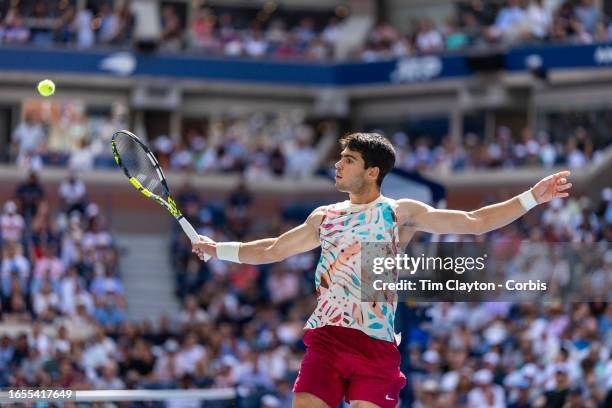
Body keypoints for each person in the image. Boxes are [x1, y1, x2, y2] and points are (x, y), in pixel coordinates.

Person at [192, 133, 573, 408]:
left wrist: (532, 197)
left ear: (372, 171)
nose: (338, 165)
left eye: (349, 160)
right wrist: (218, 249)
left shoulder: (399, 213)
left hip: (376, 346)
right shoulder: (324, 217)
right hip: (327, 340)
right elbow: (273, 249)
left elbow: (474, 221)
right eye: (340, 158)